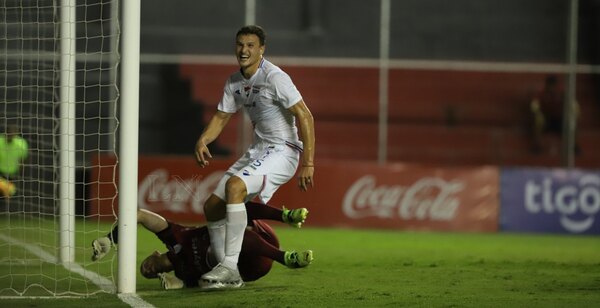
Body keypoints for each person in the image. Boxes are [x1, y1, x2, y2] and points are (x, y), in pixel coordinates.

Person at [194, 25, 315, 289]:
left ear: (262, 50)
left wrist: (308, 162)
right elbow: (221, 116)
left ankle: (227, 266)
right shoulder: (234, 82)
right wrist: (204, 139)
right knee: (212, 208)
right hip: (260, 150)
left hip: (284, 151)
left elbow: (305, 115)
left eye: (250, 45)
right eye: (240, 44)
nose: (244, 50)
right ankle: (230, 272)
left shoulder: (275, 77)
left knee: (234, 186)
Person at [91, 201, 313, 290]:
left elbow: (139, 214)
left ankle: (283, 216)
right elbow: (182, 284)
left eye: (146, 265)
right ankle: (284, 257)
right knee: (226, 242)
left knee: (231, 206)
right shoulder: (182, 274)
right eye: (149, 274)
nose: (149, 269)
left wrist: (110, 239)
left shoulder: (176, 236)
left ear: (154, 253)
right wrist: (172, 282)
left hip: (260, 235)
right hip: (253, 265)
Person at [530, 75, 580, 154]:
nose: (551, 88)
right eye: (549, 85)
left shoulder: (562, 93)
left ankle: (573, 145)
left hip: (560, 120)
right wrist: (537, 113)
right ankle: (537, 146)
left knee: (571, 123)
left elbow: (573, 105)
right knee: (538, 121)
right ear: (546, 85)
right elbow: (534, 106)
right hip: (547, 120)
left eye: (553, 85)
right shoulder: (541, 94)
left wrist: (572, 114)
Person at [0, 124, 29, 198]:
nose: (10, 137)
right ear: (5, 133)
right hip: (0, 173)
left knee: (10, 194)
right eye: (8, 134)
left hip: (13, 175)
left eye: (12, 135)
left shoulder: (21, 144)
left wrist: (21, 174)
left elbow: (23, 160)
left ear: (16, 134)